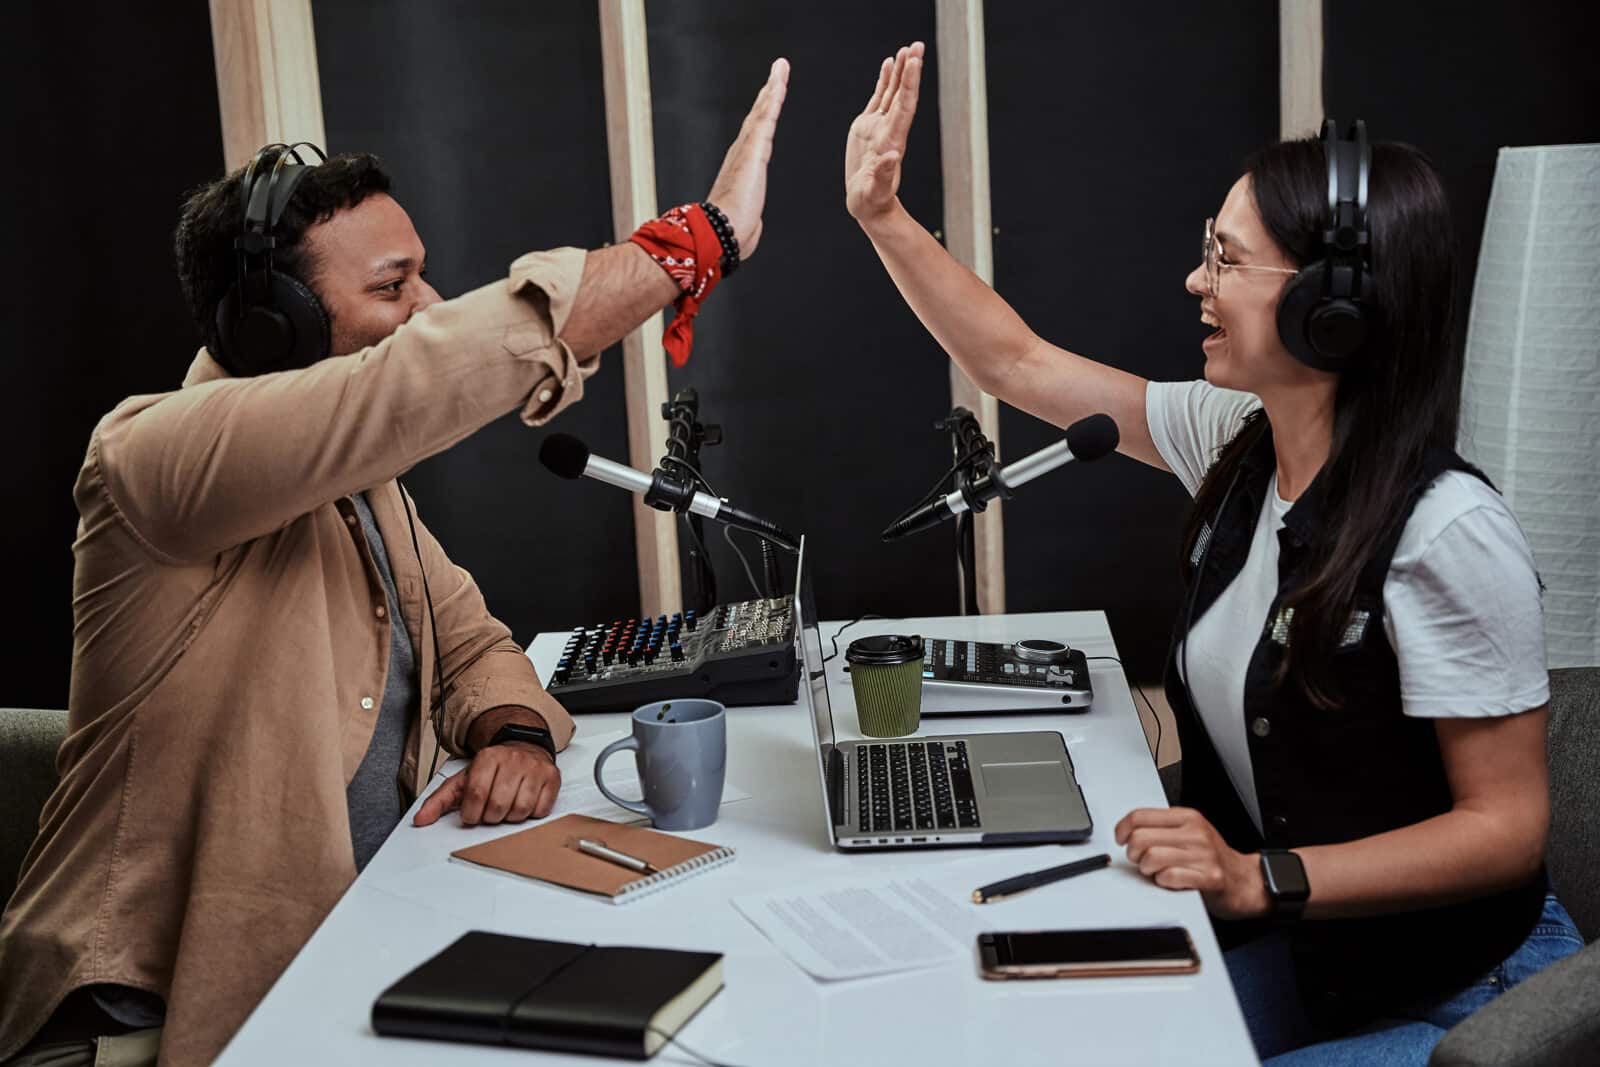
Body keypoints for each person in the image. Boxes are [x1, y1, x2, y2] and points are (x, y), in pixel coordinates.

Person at [0, 59, 790, 1067]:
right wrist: (691, 244)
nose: (431, 304)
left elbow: (470, 638)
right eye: (390, 285)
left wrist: (513, 731)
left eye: (421, 271)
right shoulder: (153, 456)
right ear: (269, 322)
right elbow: (414, 380)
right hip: (153, 1024)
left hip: (358, 939)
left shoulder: (360, 485)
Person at [845, 42, 1581, 1064]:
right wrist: (882, 216)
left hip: (1450, 987)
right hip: (1298, 942)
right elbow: (1014, 361)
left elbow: (1505, 829)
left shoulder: (1444, 531)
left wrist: (1258, 874)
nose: (1195, 278)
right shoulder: (1237, 438)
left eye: (1227, 258)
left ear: (1334, 308)